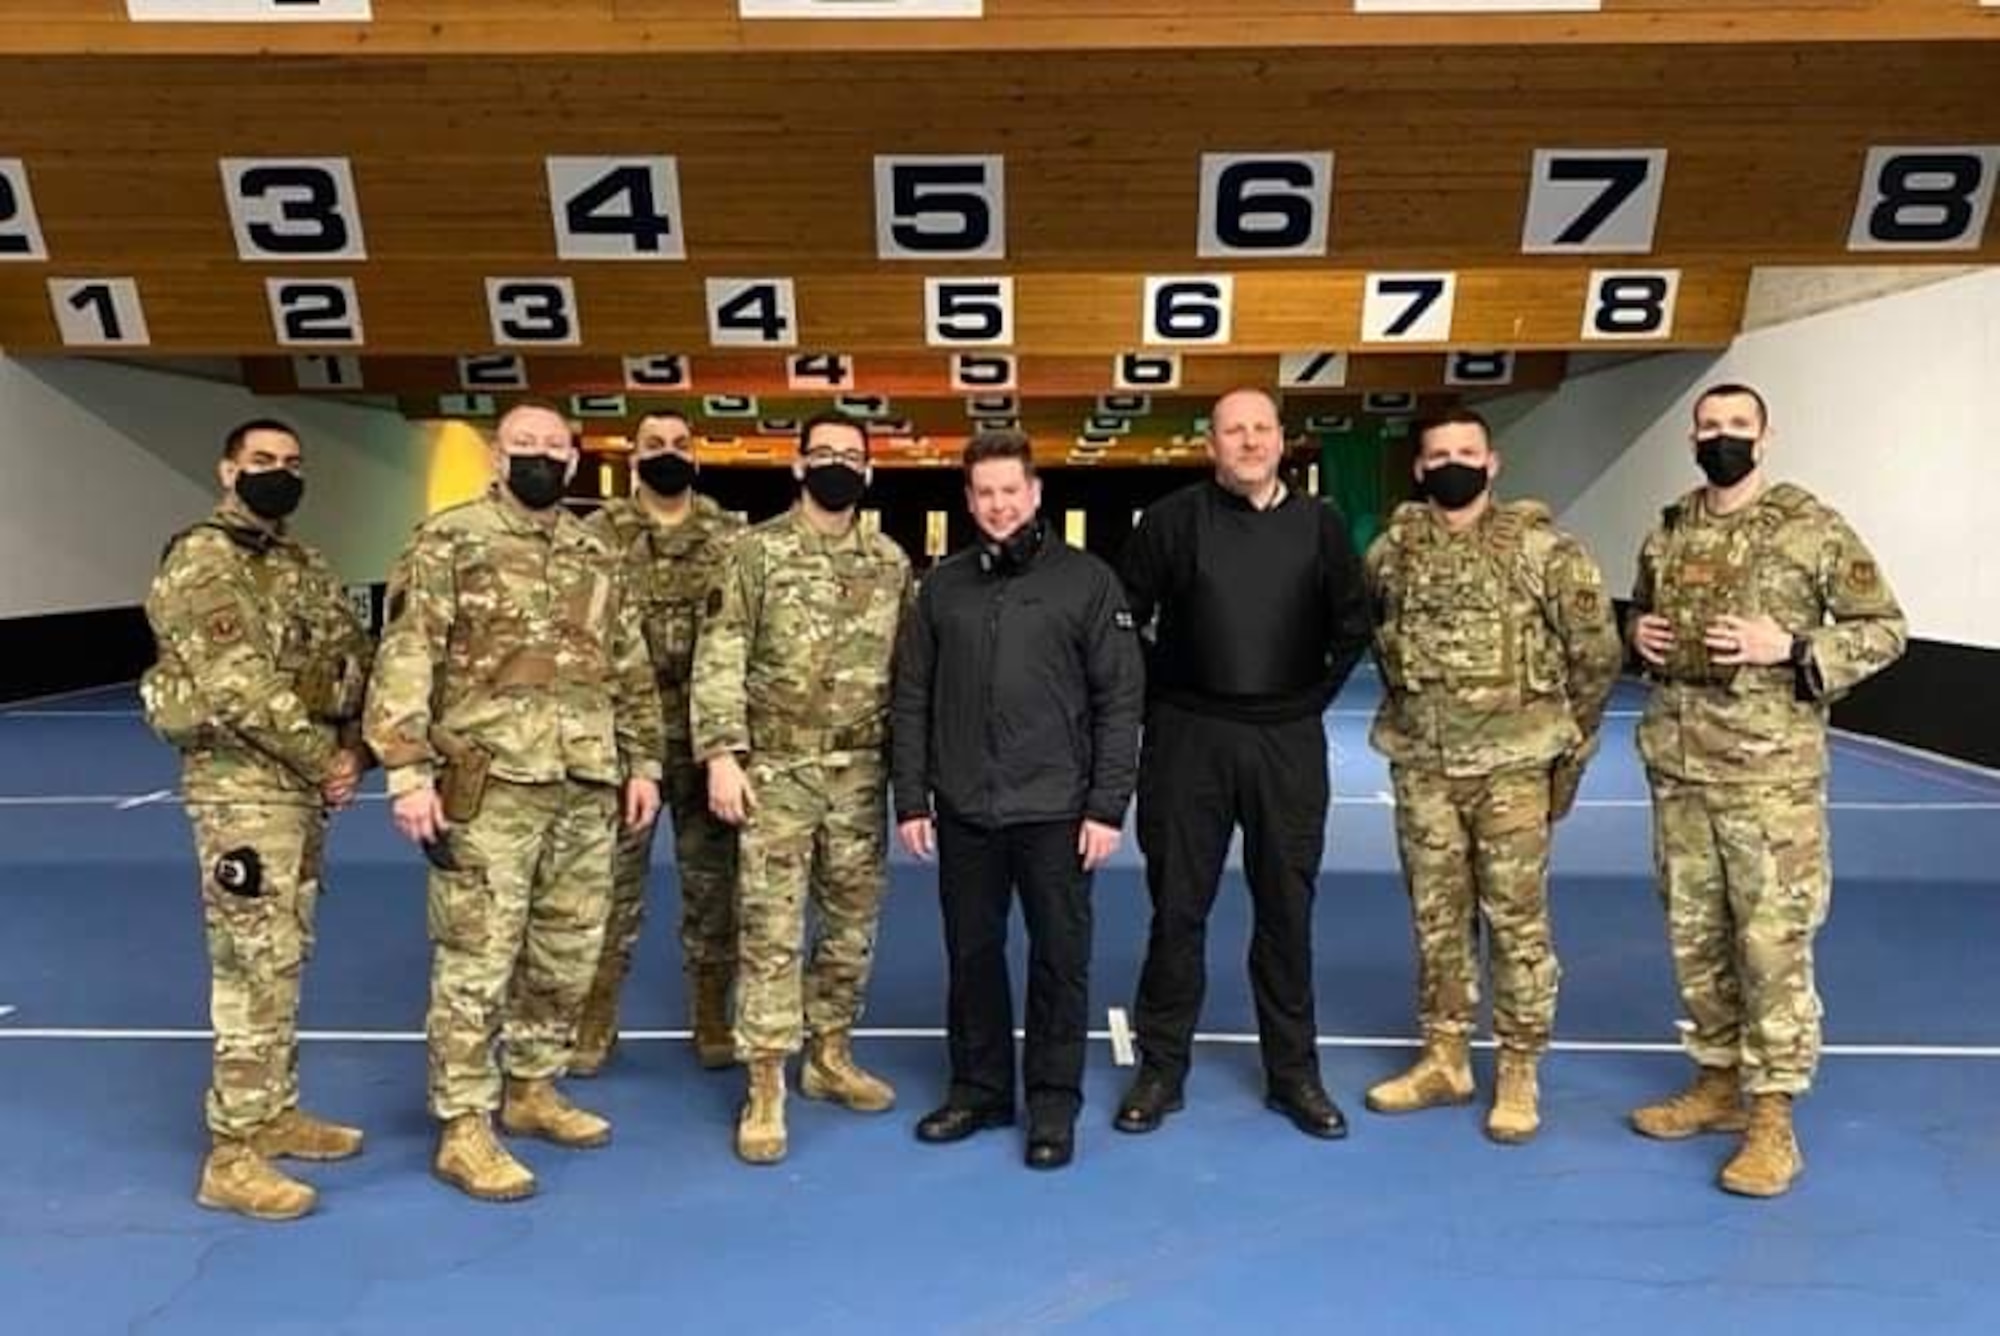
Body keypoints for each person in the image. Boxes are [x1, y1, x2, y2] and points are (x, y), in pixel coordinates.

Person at [363, 401, 663, 1202]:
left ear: (573, 460)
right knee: (477, 958)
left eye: (553, 446)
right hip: (488, 784)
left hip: (585, 780)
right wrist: (406, 770)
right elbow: (407, 652)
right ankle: (464, 1125)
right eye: (522, 444)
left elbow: (625, 662)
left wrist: (644, 763)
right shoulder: (451, 539)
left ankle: (531, 1088)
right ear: (499, 456)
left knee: (567, 952)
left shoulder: (594, 547)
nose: (538, 456)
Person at [1626, 382, 1906, 1197]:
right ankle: (1716, 1085)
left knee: (1771, 947)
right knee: (1697, 938)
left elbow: (1885, 627)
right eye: (1710, 426)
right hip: (1680, 772)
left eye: (1737, 427)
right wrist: (1633, 634)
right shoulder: (1669, 532)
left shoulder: (1810, 529)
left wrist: (1788, 644)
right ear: (1692, 436)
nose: (1723, 438)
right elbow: (1647, 618)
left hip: (1769, 783)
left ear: (1765, 436)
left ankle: (1773, 1117)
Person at [1113, 387, 1373, 1140]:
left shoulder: (1320, 526)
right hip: (1188, 738)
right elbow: (1122, 616)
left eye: (1261, 428)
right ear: (1212, 445)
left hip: (1285, 742)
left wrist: (1302, 701)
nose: (1250, 441)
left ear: (1282, 439)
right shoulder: (1171, 521)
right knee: (1178, 912)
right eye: (1235, 430)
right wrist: (1166, 688)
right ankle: (1161, 1069)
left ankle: (1294, 1074)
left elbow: (1351, 626)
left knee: (1287, 914)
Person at [1360, 408, 1621, 1142]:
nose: (1452, 463)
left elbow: (1595, 656)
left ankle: (1517, 1066)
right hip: (1424, 769)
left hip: (1512, 769)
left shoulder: (1546, 550)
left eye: (1466, 451)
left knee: (1517, 923)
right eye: (1438, 453)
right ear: (1418, 468)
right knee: (1436, 921)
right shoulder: (1391, 553)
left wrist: (1565, 746)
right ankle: (1445, 1056)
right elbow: (1384, 642)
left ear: (1493, 462)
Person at [140, 418, 373, 1221]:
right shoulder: (204, 561)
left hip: (299, 787)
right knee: (250, 959)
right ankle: (232, 1152)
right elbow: (239, 686)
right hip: (242, 786)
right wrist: (325, 759)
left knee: (285, 947)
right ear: (228, 469)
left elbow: (350, 656)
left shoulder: (303, 563)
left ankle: (273, 1112)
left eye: (292, 463)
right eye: (263, 461)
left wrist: (355, 748)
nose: (280, 473)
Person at [892, 430, 1143, 1170]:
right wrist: (912, 799)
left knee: (1060, 960)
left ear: (1035, 495)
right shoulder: (942, 588)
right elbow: (913, 697)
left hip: (1058, 812)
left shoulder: (1089, 582)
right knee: (972, 956)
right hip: (966, 811)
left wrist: (1105, 807)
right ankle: (979, 1090)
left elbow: (1119, 701)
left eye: (1012, 490)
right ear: (969, 502)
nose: (1000, 504)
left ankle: (1053, 1105)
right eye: (985, 493)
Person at [691, 413, 914, 1165]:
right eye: (823, 455)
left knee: (852, 924)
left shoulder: (888, 561)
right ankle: (765, 1082)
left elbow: (906, 673)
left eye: (852, 457)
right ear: (796, 466)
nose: (837, 466)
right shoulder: (754, 552)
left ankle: (830, 1054)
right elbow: (720, 652)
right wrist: (722, 753)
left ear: (871, 472)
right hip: (776, 772)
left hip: (859, 772)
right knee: (771, 928)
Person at [573, 411, 746, 1075]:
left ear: (696, 455)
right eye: (654, 445)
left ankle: (710, 1011)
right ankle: (595, 1017)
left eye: (679, 445)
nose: (667, 454)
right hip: (621, 746)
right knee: (607, 888)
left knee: (714, 888)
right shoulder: (597, 537)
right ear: (633, 454)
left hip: (711, 743)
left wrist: (729, 743)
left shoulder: (730, 535)